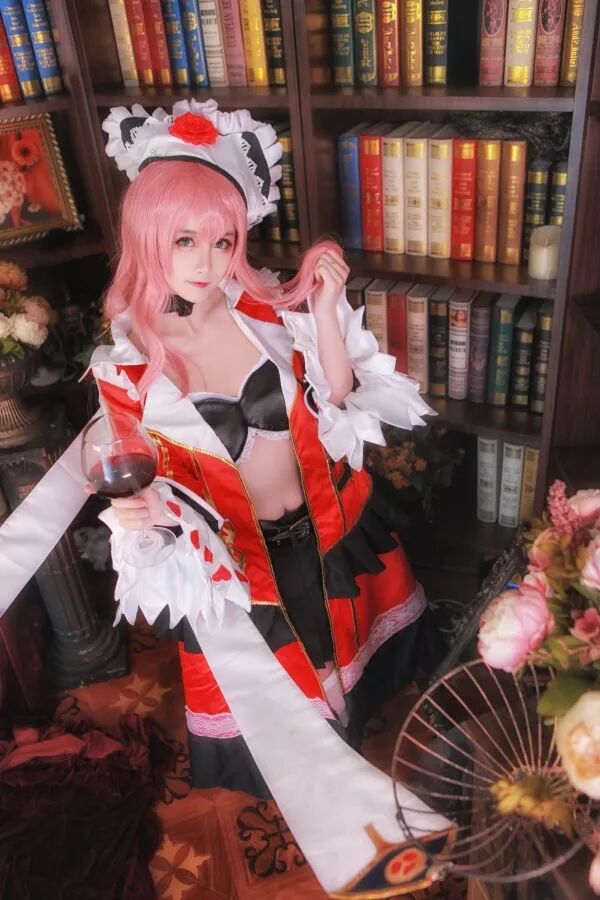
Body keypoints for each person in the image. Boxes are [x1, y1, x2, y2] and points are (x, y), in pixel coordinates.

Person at [92, 97, 436, 799]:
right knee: (286, 677)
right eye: (184, 240)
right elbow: (142, 484)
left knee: (341, 656)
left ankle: (349, 759)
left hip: (325, 522)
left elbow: (337, 395)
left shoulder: (261, 309)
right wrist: (139, 514)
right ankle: (320, 785)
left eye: (223, 242)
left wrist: (325, 312)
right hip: (245, 562)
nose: (207, 261)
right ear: (146, 236)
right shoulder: (126, 368)